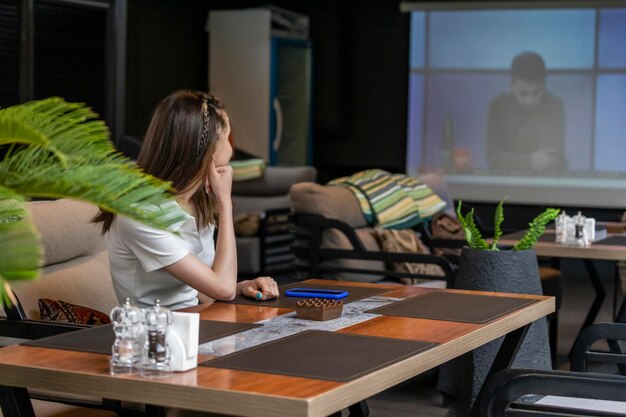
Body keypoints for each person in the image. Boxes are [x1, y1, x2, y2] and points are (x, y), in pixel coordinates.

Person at [94, 90, 279, 310]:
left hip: (197, 324)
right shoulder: (140, 214)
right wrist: (225, 203)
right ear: (208, 151)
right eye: (226, 138)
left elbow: (207, 289)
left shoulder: (198, 201)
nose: (232, 149)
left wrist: (242, 286)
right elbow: (222, 289)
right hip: (151, 335)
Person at [486, 51, 567, 172]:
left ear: (544, 85)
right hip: (507, 183)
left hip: (545, 182)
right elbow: (493, 158)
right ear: (512, 85)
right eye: (523, 94)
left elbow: (549, 159)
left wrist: (512, 160)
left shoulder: (554, 105)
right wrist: (530, 161)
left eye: (536, 93)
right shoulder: (498, 105)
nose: (530, 100)